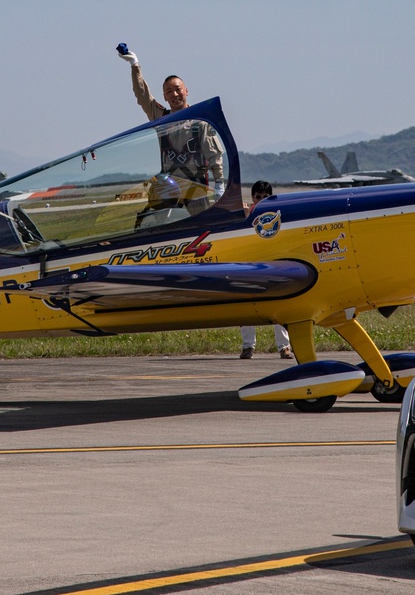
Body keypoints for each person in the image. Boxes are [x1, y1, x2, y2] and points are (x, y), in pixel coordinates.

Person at [118, 44, 225, 204]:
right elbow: (142, 95)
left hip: (196, 189)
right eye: (169, 91)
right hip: (168, 189)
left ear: (186, 91)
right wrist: (134, 65)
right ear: (165, 96)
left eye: (178, 89)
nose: (174, 94)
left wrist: (219, 183)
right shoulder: (162, 118)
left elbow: (214, 154)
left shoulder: (200, 122)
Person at [240, 181, 294, 359]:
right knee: (247, 307)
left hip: (273, 264)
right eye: (258, 197)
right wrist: (245, 216)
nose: (262, 200)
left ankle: (284, 346)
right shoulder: (246, 214)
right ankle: (248, 346)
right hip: (250, 263)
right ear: (252, 198)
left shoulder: (278, 215)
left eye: (266, 197)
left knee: (279, 307)